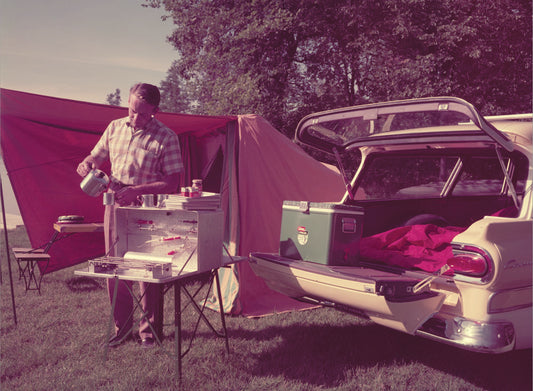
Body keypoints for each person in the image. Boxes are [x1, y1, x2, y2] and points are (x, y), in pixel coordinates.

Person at [77, 83, 183, 348]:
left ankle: (149, 331)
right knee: (115, 266)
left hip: (148, 208)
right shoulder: (114, 127)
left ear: (155, 111)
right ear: (129, 103)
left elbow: (173, 182)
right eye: (132, 110)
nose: (136, 118)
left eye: (143, 114)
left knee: (148, 269)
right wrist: (87, 163)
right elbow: (96, 156)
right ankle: (121, 328)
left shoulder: (166, 137)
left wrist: (137, 190)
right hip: (115, 205)